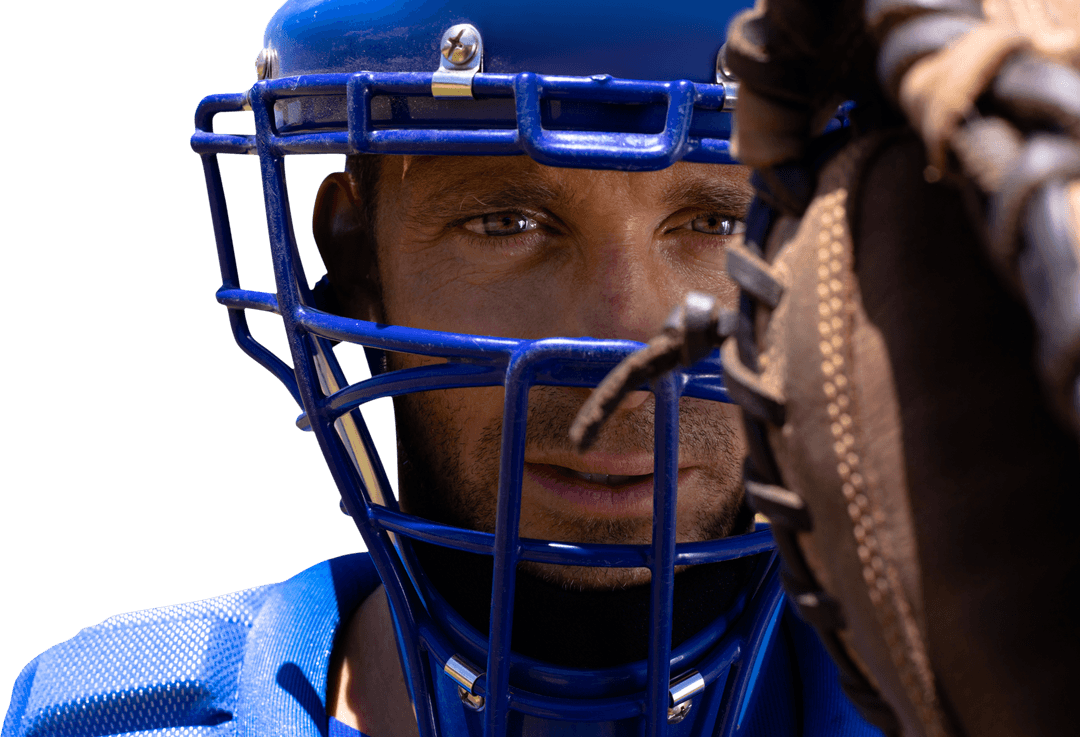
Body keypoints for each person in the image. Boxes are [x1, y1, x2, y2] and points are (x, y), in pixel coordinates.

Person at [2, 1, 884, 737]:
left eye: (718, 224)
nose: (622, 346)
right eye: (507, 223)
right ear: (355, 264)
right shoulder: (109, 715)